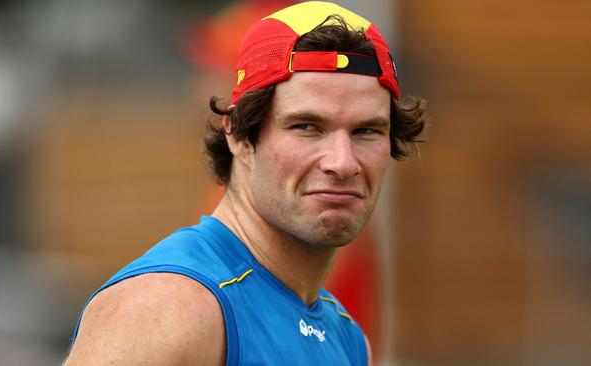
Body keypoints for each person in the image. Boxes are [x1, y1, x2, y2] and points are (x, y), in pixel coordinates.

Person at [64, 1, 427, 365]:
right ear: (238, 136)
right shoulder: (169, 307)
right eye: (306, 127)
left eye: (366, 131)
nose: (342, 162)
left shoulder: (347, 338)